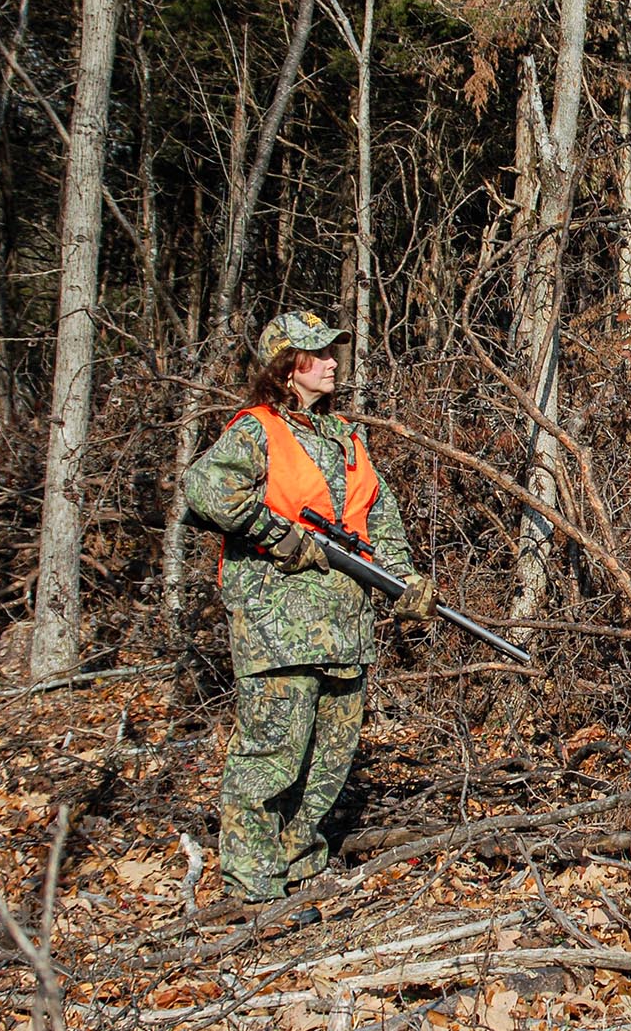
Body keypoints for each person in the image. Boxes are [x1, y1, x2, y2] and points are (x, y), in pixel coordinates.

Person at [185, 310, 437, 902]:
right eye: (316, 353)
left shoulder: (347, 436)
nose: (331, 362)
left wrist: (403, 582)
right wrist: (279, 536)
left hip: (346, 628)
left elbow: (380, 517)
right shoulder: (255, 431)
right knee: (271, 757)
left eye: (332, 351)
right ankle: (253, 889)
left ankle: (299, 870)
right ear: (285, 366)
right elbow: (203, 491)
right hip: (279, 630)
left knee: (329, 761)